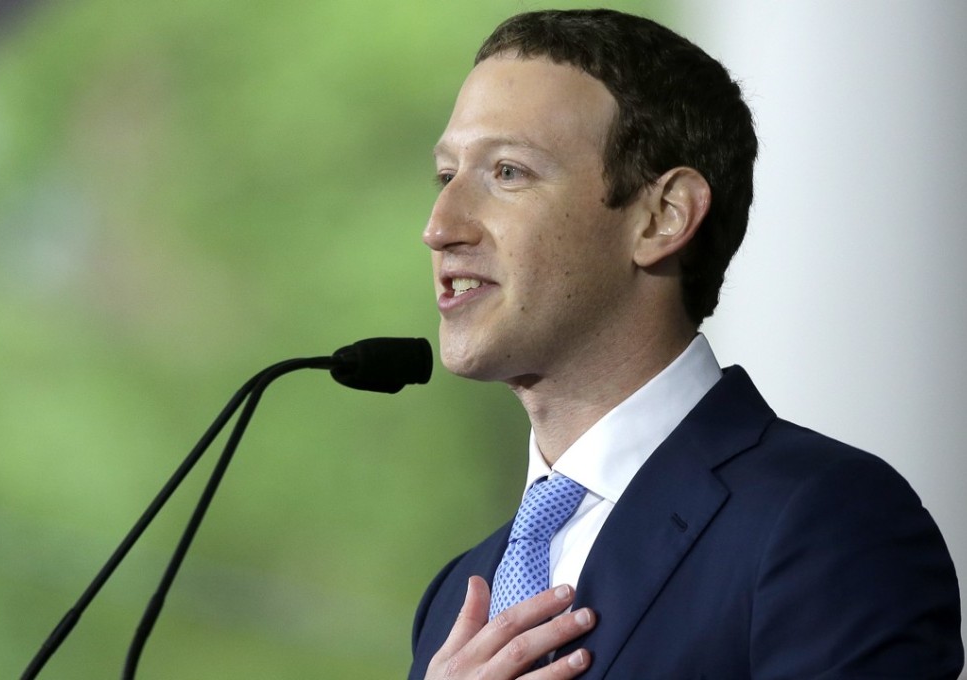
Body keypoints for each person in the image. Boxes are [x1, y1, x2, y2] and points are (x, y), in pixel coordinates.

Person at [408, 9, 963, 680]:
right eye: (446, 177)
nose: (440, 227)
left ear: (662, 217)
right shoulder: (457, 601)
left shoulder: (827, 522)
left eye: (508, 172)